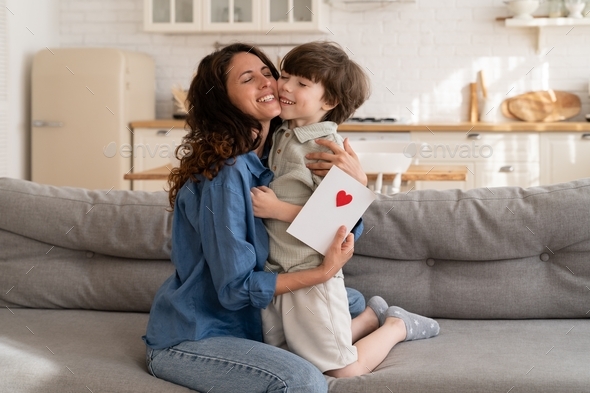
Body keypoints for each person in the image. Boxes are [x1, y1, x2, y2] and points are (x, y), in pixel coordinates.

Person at [142, 43, 370, 393]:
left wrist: (355, 184)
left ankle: (369, 318)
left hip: (258, 317)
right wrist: (321, 272)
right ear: (224, 101)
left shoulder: (277, 154)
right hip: (201, 333)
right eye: (249, 79)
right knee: (303, 381)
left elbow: (342, 229)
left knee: (347, 298)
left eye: (268, 73)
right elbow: (234, 290)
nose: (269, 83)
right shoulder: (227, 172)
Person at [251, 42, 440, 378]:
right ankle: (369, 317)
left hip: (312, 272)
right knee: (290, 356)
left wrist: (277, 209)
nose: (285, 86)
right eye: (286, 76)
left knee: (343, 371)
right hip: (279, 271)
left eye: (302, 83)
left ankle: (396, 325)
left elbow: (334, 222)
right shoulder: (283, 132)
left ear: (328, 102)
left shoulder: (325, 149)